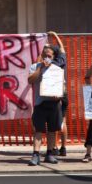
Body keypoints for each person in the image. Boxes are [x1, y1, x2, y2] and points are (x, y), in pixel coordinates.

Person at [27, 33, 66, 166]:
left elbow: (62, 87)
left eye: (49, 56)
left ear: (54, 57)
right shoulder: (35, 66)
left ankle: (49, 154)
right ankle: (35, 155)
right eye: (45, 56)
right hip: (40, 103)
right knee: (38, 130)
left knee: (52, 130)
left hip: (54, 103)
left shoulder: (57, 69)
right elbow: (30, 80)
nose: (47, 58)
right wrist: (41, 68)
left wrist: (59, 95)